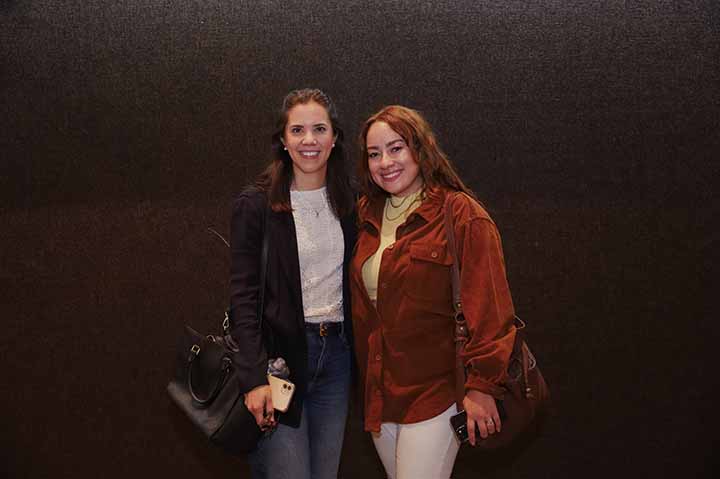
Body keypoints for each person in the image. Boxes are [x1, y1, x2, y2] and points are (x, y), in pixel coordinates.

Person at [350, 105, 517, 479]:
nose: (385, 162)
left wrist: (483, 386)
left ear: (420, 149)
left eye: (396, 148)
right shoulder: (366, 214)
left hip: (436, 393)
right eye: (374, 154)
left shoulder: (460, 214)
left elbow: (490, 307)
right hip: (380, 395)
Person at [229, 88, 356, 479]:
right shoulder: (256, 204)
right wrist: (253, 378)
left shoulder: (351, 202)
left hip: (337, 359)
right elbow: (243, 298)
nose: (309, 140)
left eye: (320, 129)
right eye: (297, 130)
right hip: (279, 364)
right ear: (283, 140)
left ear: (334, 138)